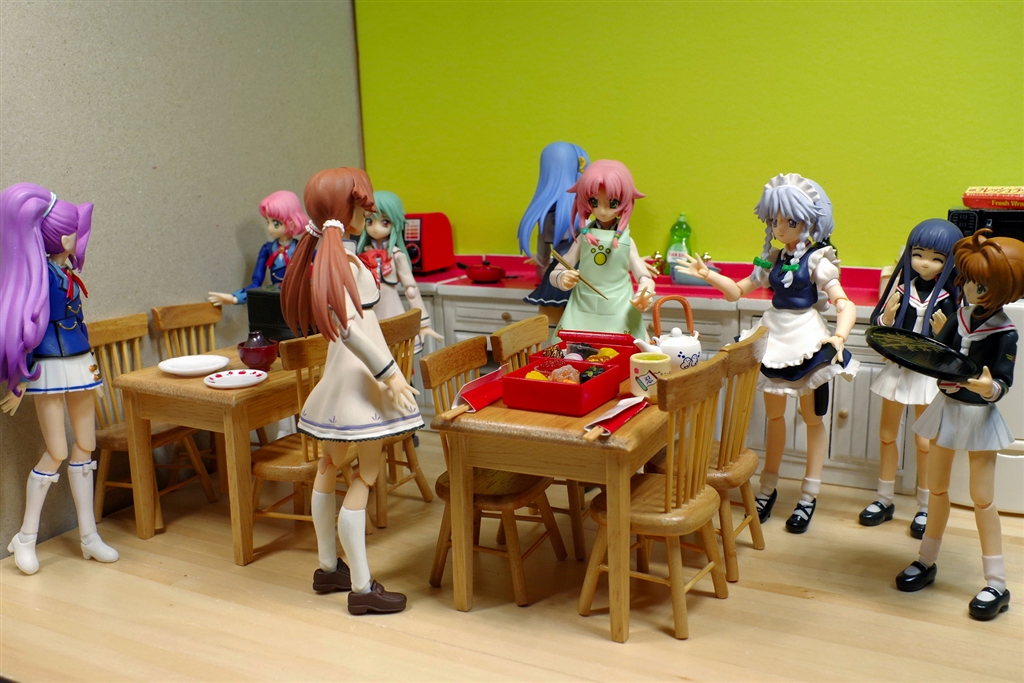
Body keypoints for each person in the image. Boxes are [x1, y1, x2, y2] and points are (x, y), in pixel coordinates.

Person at [677, 173, 858, 533]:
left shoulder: (819, 260)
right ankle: (768, 488)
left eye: (789, 220)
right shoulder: (772, 259)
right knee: (775, 417)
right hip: (774, 336)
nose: (780, 227)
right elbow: (737, 291)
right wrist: (708, 275)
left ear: (808, 222)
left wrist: (839, 336)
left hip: (808, 338)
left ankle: (809, 494)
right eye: (775, 220)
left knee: (813, 419)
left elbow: (844, 302)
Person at [280, 167, 422, 615]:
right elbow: (350, 330)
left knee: (328, 465)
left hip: (340, 379)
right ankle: (361, 587)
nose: (368, 213)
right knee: (366, 475)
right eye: (362, 206)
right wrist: (390, 374)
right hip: (362, 380)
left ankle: (328, 568)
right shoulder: (347, 264)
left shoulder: (327, 258)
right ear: (347, 211)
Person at [895, 230, 1023, 621]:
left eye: (981, 285)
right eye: (967, 280)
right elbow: (940, 355)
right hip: (948, 409)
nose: (970, 289)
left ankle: (996, 582)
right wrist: (926, 352)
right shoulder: (958, 317)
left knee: (983, 499)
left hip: (978, 416)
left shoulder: (1005, 332)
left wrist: (988, 387)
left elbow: (1003, 381)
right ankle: (926, 559)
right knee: (936, 489)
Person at [1, 182, 118, 574]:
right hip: (49, 366)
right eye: (75, 232)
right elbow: (28, 328)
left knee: (86, 445)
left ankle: (89, 536)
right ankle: (26, 536)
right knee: (57, 451)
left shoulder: (63, 273)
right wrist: (19, 380)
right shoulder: (40, 278)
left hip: (79, 360)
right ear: (63, 237)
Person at [860, 219, 961, 536]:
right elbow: (881, 326)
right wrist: (887, 317)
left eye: (936, 258)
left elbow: (956, 344)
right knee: (887, 435)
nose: (925, 263)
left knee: (924, 442)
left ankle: (925, 505)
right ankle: (884, 498)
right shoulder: (902, 289)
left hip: (926, 375)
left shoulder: (949, 298)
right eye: (918, 254)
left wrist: (942, 332)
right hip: (899, 368)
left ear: (949, 262)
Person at [549, 159, 655, 343]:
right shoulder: (583, 239)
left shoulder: (626, 241)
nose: (602, 211)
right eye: (594, 202)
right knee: (574, 353)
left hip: (619, 309)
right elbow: (559, 268)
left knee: (621, 352)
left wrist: (644, 293)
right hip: (583, 308)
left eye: (612, 203)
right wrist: (561, 278)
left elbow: (644, 276)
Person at [356, 190, 442, 352]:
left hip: (391, 307)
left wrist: (423, 323)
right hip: (369, 310)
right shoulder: (362, 256)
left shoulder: (397, 255)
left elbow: (411, 289)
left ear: (395, 223)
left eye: (384, 222)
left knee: (398, 353)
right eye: (370, 221)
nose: (375, 228)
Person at [518, 142, 589, 326]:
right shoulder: (585, 206)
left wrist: (541, 261)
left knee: (551, 325)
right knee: (578, 326)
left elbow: (543, 243)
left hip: (561, 269)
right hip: (583, 271)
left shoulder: (548, 209)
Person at [208, 190, 307, 306]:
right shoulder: (267, 249)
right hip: (276, 300)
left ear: (292, 224)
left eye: (275, 223)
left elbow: (321, 277)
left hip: (299, 301)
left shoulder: (303, 248)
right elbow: (256, 283)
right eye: (268, 222)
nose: (269, 228)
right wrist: (235, 298)